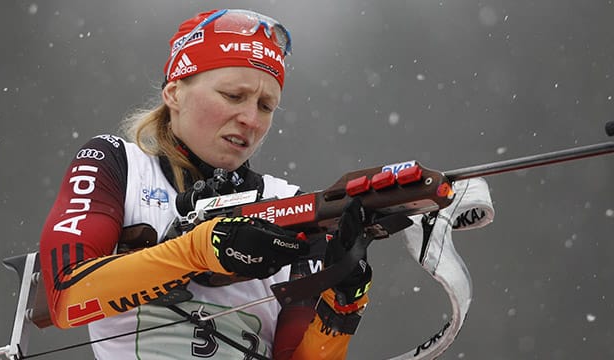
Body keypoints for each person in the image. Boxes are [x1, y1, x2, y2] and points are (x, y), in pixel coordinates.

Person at [39, 9, 372, 359]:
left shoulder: (291, 202)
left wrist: (343, 305)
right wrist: (200, 250)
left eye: (266, 105)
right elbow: (67, 297)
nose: (250, 119)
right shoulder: (118, 163)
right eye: (232, 96)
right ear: (174, 92)